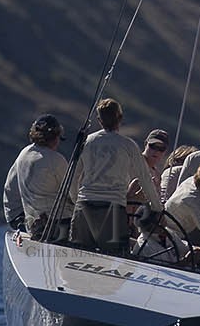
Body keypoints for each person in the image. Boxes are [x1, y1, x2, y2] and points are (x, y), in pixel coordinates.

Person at [69, 98, 163, 255]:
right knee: (116, 263)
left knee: (76, 260)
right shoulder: (128, 145)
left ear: (99, 120)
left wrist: (75, 199)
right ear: (120, 118)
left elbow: (73, 175)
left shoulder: (88, 142)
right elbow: (145, 178)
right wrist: (156, 207)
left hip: (84, 207)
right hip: (112, 211)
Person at [2, 115, 73, 240]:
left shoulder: (23, 154)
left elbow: (9, 188)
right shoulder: (56, 160)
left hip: (23, 220)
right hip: (53, 225)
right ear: (55, 138)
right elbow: (72, 194)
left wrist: (18, 218)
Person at [127, 130, 170, 220]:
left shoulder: (158, 175)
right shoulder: (132, 163)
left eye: (161, 149)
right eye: (153, 146)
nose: (156, 151)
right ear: (145, 144)